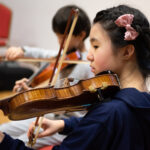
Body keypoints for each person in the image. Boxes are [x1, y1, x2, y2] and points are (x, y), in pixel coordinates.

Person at [1, 4, 150, 150]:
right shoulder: (141, 102)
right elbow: (102, 125)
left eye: (96, 46)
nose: (89, 55)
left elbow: (102, 122)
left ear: (127, 52)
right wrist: (64, 124)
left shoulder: (107, 114)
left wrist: (4, 142)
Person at [0, 4, 93, 149]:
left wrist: (38, 96)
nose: (60, 42)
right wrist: (21, 50)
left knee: (21, 141)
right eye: (58, 37)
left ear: (81, 35)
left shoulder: (89, 65)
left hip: (62, 124)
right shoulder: (61, 57)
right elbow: (39, 53)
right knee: (2, 131)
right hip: (43, 116)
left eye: (64, 37)